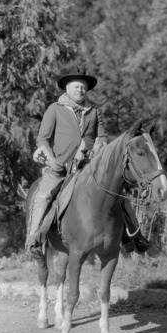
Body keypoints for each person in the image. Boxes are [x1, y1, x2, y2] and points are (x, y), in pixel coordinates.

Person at [26, 63, 149, 254]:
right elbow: (42, 139)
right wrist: (51, 160)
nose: (81, 90)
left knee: (118, 196)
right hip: (59, 166)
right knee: (43, 196)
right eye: (77, 86)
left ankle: (134, 238)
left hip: (87, 167)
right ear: (67, 88)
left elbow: (102, 137)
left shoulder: (93, 112)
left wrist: (99, 147)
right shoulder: (54, 109)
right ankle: (34, 240)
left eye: (83, 87)